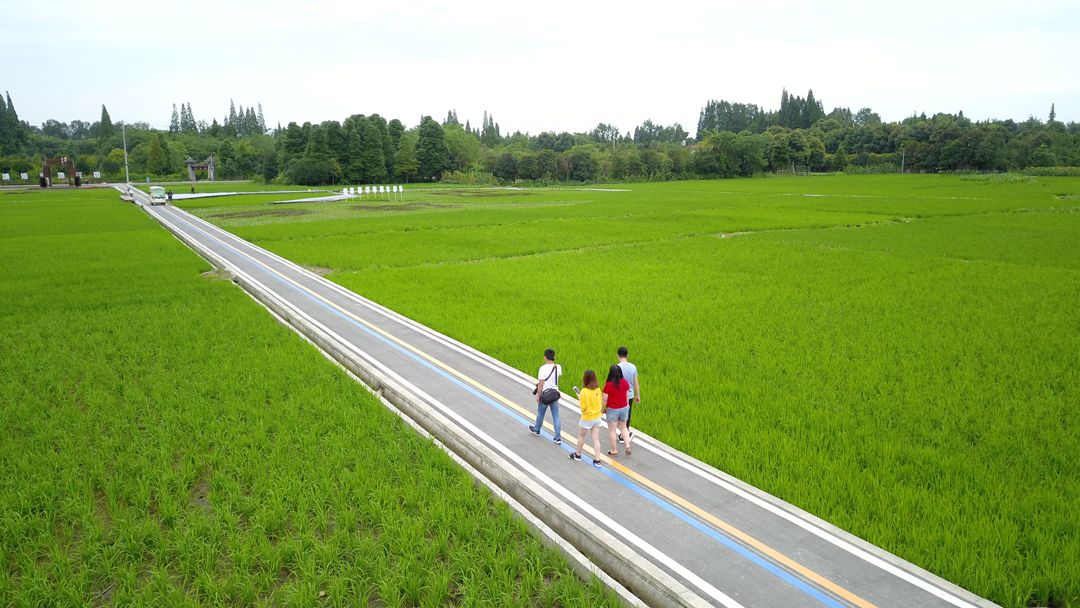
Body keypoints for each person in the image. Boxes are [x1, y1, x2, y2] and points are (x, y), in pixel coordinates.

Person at [569, 370, 603, 465]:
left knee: (581, 436)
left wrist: (579, 398)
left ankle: (578, 454)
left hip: (587, 418)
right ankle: (597, 459)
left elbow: (583, 409)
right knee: (596, 438)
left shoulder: (584, 391)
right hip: (597, 417)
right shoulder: (598, 389)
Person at [530, 348, 562, 444]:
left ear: (545, 357)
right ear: (554, 357)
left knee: (541, 413)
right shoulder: (558, 367)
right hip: (554, 394)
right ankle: (558, 437)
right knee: (556, 415)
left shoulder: (542, 368)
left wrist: (538, 395)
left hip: (545, 395)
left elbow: (541, 384)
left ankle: (536, 430)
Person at [602, 364, 631, 455]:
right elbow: (627, 396)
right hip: (624, 407)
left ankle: (614, 450)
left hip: (613, 409)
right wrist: (627, 406)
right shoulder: (625, 382)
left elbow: (604, 399)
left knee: (612, 430)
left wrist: (603, 408)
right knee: (623, 427)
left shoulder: (608, 385)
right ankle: (627, 445)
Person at [616, 346, 641, 444]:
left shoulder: (617, 367)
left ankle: (626, 433)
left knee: (618, 415)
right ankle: (624, 433)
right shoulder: (633, 366)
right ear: (627, 355)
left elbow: (615, 383)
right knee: (627, 414)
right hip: (630, 395)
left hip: (620, 395)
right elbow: (636, 382)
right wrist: (637, 394)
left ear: (617, 355)